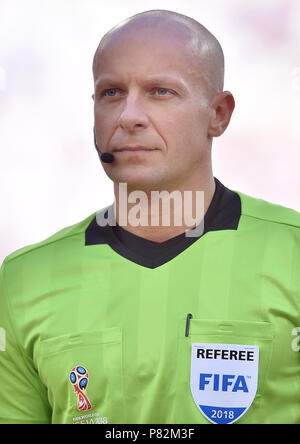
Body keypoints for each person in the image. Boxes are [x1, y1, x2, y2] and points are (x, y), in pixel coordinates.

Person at [0, 9, 299, 425]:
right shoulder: (22, 282)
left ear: (219, 114)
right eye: (111, 93)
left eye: (160, 92)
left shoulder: (292, 256)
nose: (128, 116)